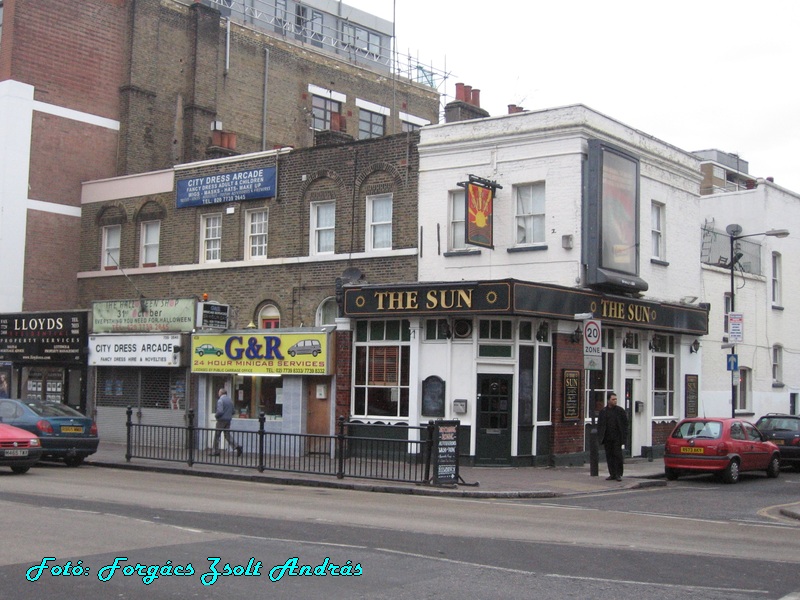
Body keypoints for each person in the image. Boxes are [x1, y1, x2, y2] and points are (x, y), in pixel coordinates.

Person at [597, 391, 628, 481]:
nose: (615, 401)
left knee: (617, 456)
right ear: (608, 400)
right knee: (609, 456)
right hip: (607, 437)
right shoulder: (603, 411)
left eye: (616, 399)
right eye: (613, 399)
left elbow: (625, 424)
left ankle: (618, 474)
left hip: (617, 437)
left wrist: (624, 436)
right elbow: (600, 424)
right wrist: (600, 436)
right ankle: (612, 474)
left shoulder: (620, 411)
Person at [211, 388, 242, 457]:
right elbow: (233, 411)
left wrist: (216, 416)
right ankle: (237, 447)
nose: (218, 393)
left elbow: (220, 411)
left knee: (217, 436)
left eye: (219, 392)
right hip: (228, 420)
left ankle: (216, 451)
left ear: (221, 393)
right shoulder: (230, 401)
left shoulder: (220, 400)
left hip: (221, 420)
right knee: (227, 435)